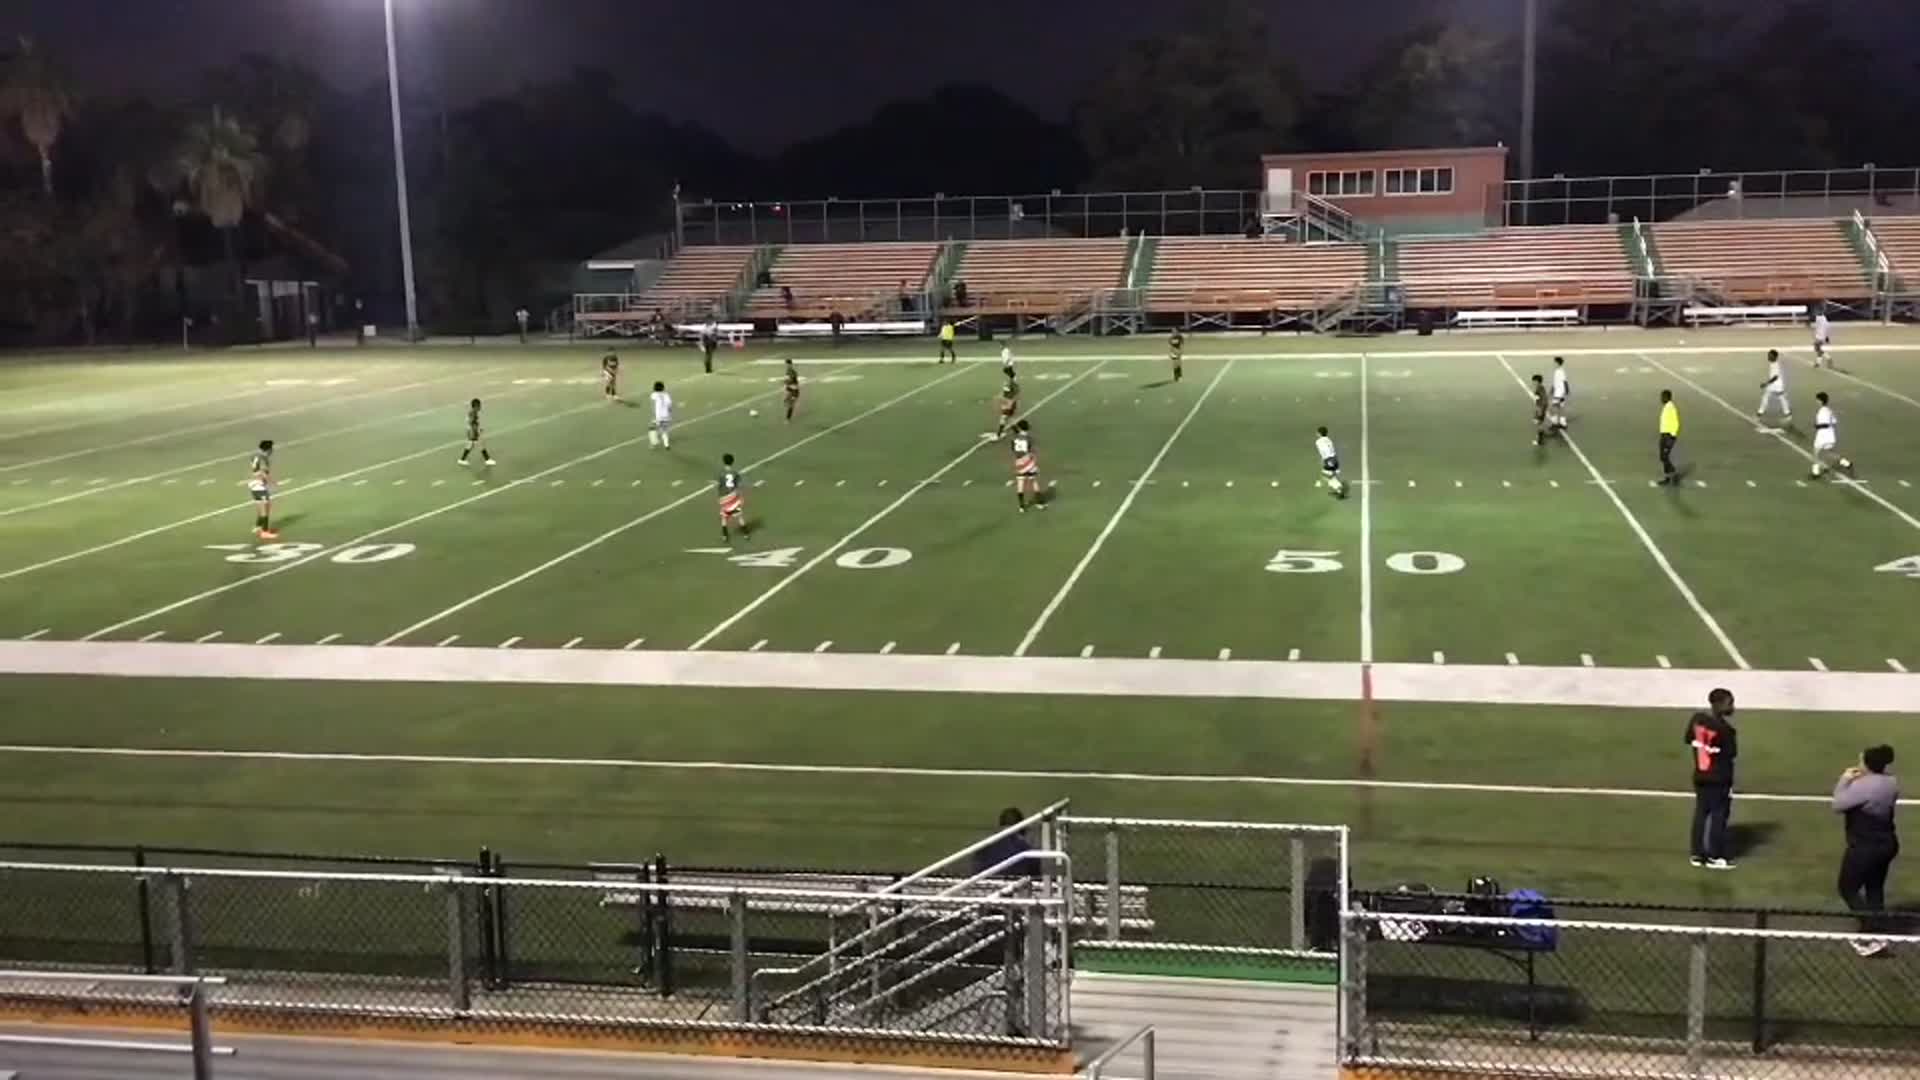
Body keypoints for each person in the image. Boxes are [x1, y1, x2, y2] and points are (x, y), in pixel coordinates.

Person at [1834, 744, 1899, 957]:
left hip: (1865, 846)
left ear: (1868, 764)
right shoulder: (1891, 782)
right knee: (1874, 888)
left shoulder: (1864, 787)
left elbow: (1838, 804)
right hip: (1887, 843)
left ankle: (1875, 929)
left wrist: (1845, 779)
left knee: (1847, 888)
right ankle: (1874, 931)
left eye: (1862, 760)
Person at [1685, 688, 1739, 870]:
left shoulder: (1697, 720)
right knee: (1718, 817)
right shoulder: (1726, 731)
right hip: (1719, 779)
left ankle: (1697, 854)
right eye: (1729, 702)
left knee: (1701, 814)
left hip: (1701, 775)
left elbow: (1688, 739)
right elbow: (1731, 754)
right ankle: (1715, 856)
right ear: (1718, 704)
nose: (1732, 706)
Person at [974, 807, 1038, 878]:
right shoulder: (1027, 851)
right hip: (1016, 886)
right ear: (1022, 827)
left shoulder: (983, 847)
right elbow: (1035, 876)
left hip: (984, 885)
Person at [1810, 391, 1855, 480]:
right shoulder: (1829, 410)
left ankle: (1815, 472)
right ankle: (1846, 463)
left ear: (1820, 401)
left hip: (1822, 435)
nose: (1816, 401)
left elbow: (1825, 424)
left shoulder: (1822, 411)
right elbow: (1834, 421)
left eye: (1817, 400)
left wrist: (1817, 426)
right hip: (1830, 435)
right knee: (1830, 453)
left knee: (1815, 453)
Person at [247, 439, 278, 539]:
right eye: (271, 448)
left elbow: (255, 469)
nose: (272, 450)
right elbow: (261, 472)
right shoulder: (263, 458)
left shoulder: (255, 456)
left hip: (254, 484)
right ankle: (265, 531)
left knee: (261, 506)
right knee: (266, 507)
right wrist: (272, 481)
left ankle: (258, 527)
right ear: (268, 449)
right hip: (258, 484)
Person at [1011, 419, 1043, 513]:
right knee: (1034, 481)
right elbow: (1031, 449)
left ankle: (1021, 506)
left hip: (1019, 461)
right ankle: (1039, 503)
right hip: (1028, 460)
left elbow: (1013, 448)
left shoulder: (1015, 438)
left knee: (1020, 482)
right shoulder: (1028, 438)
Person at [716, 452, 749, 542]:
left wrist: (719, 497)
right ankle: (745, 534)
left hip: (724, 497)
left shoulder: (721, 473)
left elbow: (719, 485)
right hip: (733, 496)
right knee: (739, 516)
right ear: (732, 462)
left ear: (724, 461)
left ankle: (725, 536)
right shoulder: (734, 473)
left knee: (724, 517)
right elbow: (738, 485)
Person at [1756, 349, 1791, 423]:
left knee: (1780, 398)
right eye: (1768, 355)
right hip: (1774, 384)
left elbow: (1775, 377)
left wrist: (1766, 383)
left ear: (1775, 357)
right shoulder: (1772, 363)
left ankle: (1788, 414)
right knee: (1767, 397)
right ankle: (1760, 413)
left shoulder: (1775, 365)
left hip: (1777, 384)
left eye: (1770, 356)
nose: (1768, 357)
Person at [458, 398, 494, 467]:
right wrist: (476, 431)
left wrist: (478, 428)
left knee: (470, 445)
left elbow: (472, 422)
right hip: (472, 431)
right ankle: (487, 459)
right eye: (479, 406)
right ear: (476, 406)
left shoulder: (473, 412)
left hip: (470, 430)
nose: (480, 407)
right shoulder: (473, 413)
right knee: (480, 444)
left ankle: (462, 459)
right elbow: (472, 423)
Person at [1657, 390, 1681, 486]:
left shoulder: (1671, 408)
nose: (1661, 399)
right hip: (1664, 435)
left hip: (1668, 436)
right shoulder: (1666, 407)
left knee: (1664, 457)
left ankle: (1673, 474)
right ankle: (1667, 477)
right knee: (1663, 457)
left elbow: (1676, 423)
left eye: (1663, 397)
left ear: (1667, 397)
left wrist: (1672, 437)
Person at [1315, 426, 1346, 499]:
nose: (1316, 433)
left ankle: (1340, 491)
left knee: (1327, 477)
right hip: (1334, 459)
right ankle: (1339, 490)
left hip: (1329, 460)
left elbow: (1323, 452)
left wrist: (1324, 461)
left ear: (1319, 433)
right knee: (1330, 476)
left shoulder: (1318, 442)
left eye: (1317, 432)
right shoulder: (1329, 440)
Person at [1530, 374, 1555, 447]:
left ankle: (1540, 440)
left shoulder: (1539, 388)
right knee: (1537, 422)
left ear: (1537, 381)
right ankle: (1541, 434)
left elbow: (1544, 399)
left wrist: (1541, 410)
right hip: (1539, 407)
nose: (1533, 383)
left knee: (1538, 423)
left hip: (1540, 408)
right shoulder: (1539, 387)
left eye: (1534, 381)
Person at [993, 373, 1020, 440]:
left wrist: (1002, 398)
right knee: (1009, 419)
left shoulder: (1012, 387)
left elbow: (1008, 394)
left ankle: (999, 434)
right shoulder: (1013, 385)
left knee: (1003, 418)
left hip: (1009, 404)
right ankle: (1017, 431)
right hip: (1009, 403)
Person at [649, 381, 673, 449]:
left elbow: (653, 405)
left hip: (658, 416)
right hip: (666, 416)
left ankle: (654, 442)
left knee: (651, 427)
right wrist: (670, 414)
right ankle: (666, 445)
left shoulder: (654, 395)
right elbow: (670, 406)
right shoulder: (666, 395)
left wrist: (654, 415)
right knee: (664, 430)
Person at [1549, 356, 1570, 431]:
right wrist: (1552, 390)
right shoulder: (1558, 371)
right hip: (1559, 392)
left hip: (1559, 392)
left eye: (1554, 362)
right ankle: (1563, 423)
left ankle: (1555, 423)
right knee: (1560, 407)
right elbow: (1555, 382)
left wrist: (1566, 391)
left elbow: (1565, 381)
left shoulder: (1560, 371)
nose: (1553, 364)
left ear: (1557, 363)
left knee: (1553, 408)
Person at [782, 358, 801, 423]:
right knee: (785, 401)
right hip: (790, 389)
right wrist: (785, 384)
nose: (786, 365)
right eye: (786, 364)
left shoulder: (792, 372)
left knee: (791, 405)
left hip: (794, 391)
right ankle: (788, 417)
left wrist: (786, 383)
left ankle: (788, 419)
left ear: (790, 364)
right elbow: (788, 381)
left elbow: (793, 381)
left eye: (787, 364)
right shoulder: (788, 371)